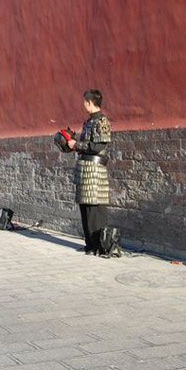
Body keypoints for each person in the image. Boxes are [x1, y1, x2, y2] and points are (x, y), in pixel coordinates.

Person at [67, 89, 111, 255]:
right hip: (84, 168)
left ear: (90, 102)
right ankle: (89, 245)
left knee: (94, 208)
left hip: (95, 169)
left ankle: (99, 245)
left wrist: (77, 145)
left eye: (85, 101)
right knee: (85, 206)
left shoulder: (102, 121)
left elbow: (99, 146)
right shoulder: (88, 122)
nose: (83, 104)